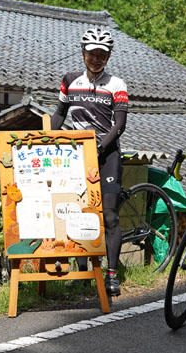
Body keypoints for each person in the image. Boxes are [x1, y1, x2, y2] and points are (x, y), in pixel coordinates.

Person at [51, 27, 128, 295]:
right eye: (92, 54)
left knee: (108, 215)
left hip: (107, 155)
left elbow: (119, 124)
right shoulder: (70, 80)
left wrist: (98, 148)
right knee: (75, 213)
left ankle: (111, 274)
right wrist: (49, 140)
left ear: (108, 56)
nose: (97, 59)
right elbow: (59, 113)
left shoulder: (116, 84)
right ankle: (83, 270)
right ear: (83, 53)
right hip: (75, 156)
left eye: (102, 55)